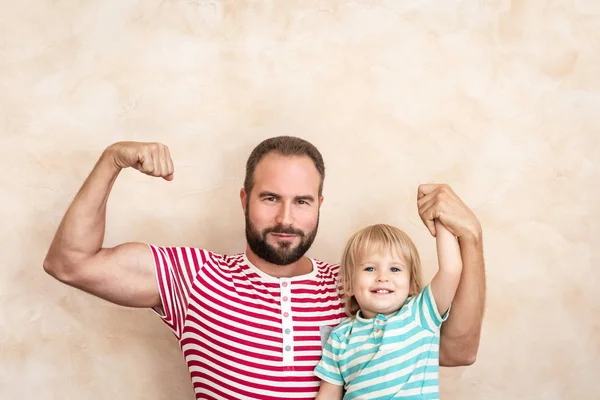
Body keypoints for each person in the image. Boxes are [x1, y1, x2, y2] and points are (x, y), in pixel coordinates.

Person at [43, 136, 485, 400]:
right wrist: (111, 161)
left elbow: (454, 351)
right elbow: (70, 262)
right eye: (270, 198)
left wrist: (472, 239)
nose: (286, 219)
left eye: (302, 201)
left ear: (319, 207)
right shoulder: (195, 275)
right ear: (245, 199)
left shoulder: (357, 285)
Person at [314, 221, 462, 399]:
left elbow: (451, 269)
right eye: (370, 268)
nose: (382, 277)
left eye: (394, 269)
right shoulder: (340, 337)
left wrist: (439, 218)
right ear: (348, 285)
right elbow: (328, 395)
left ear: (412, 284)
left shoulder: (420, 313)